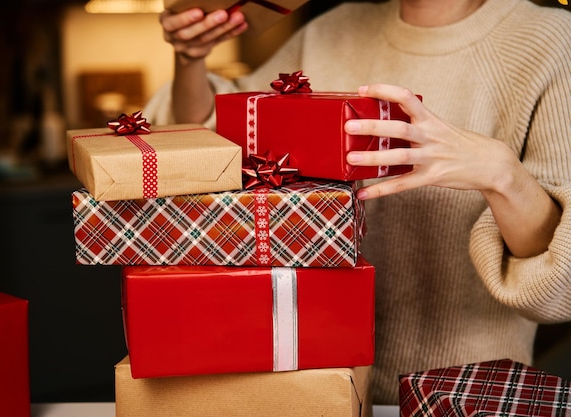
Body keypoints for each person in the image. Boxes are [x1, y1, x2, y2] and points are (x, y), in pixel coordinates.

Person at [143, 0, 571, 405]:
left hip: (467, 395)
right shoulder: (332, 28)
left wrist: (503, 175)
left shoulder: (551, 40)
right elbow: (211, 141)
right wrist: (189, 59)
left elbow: (558, 291)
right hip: (320, 387)